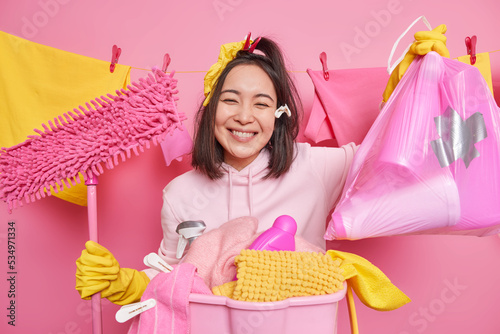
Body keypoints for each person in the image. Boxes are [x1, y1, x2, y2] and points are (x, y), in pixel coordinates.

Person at [75, 34, 357, 306]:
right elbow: (173, 275)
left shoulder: (314, 167)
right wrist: (128, 283)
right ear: (211, 108)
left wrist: (398, 93)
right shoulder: (180, 194)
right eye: (230, 100)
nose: (244, 117)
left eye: (261, 104)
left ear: (278, 114)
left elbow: (386, 162)